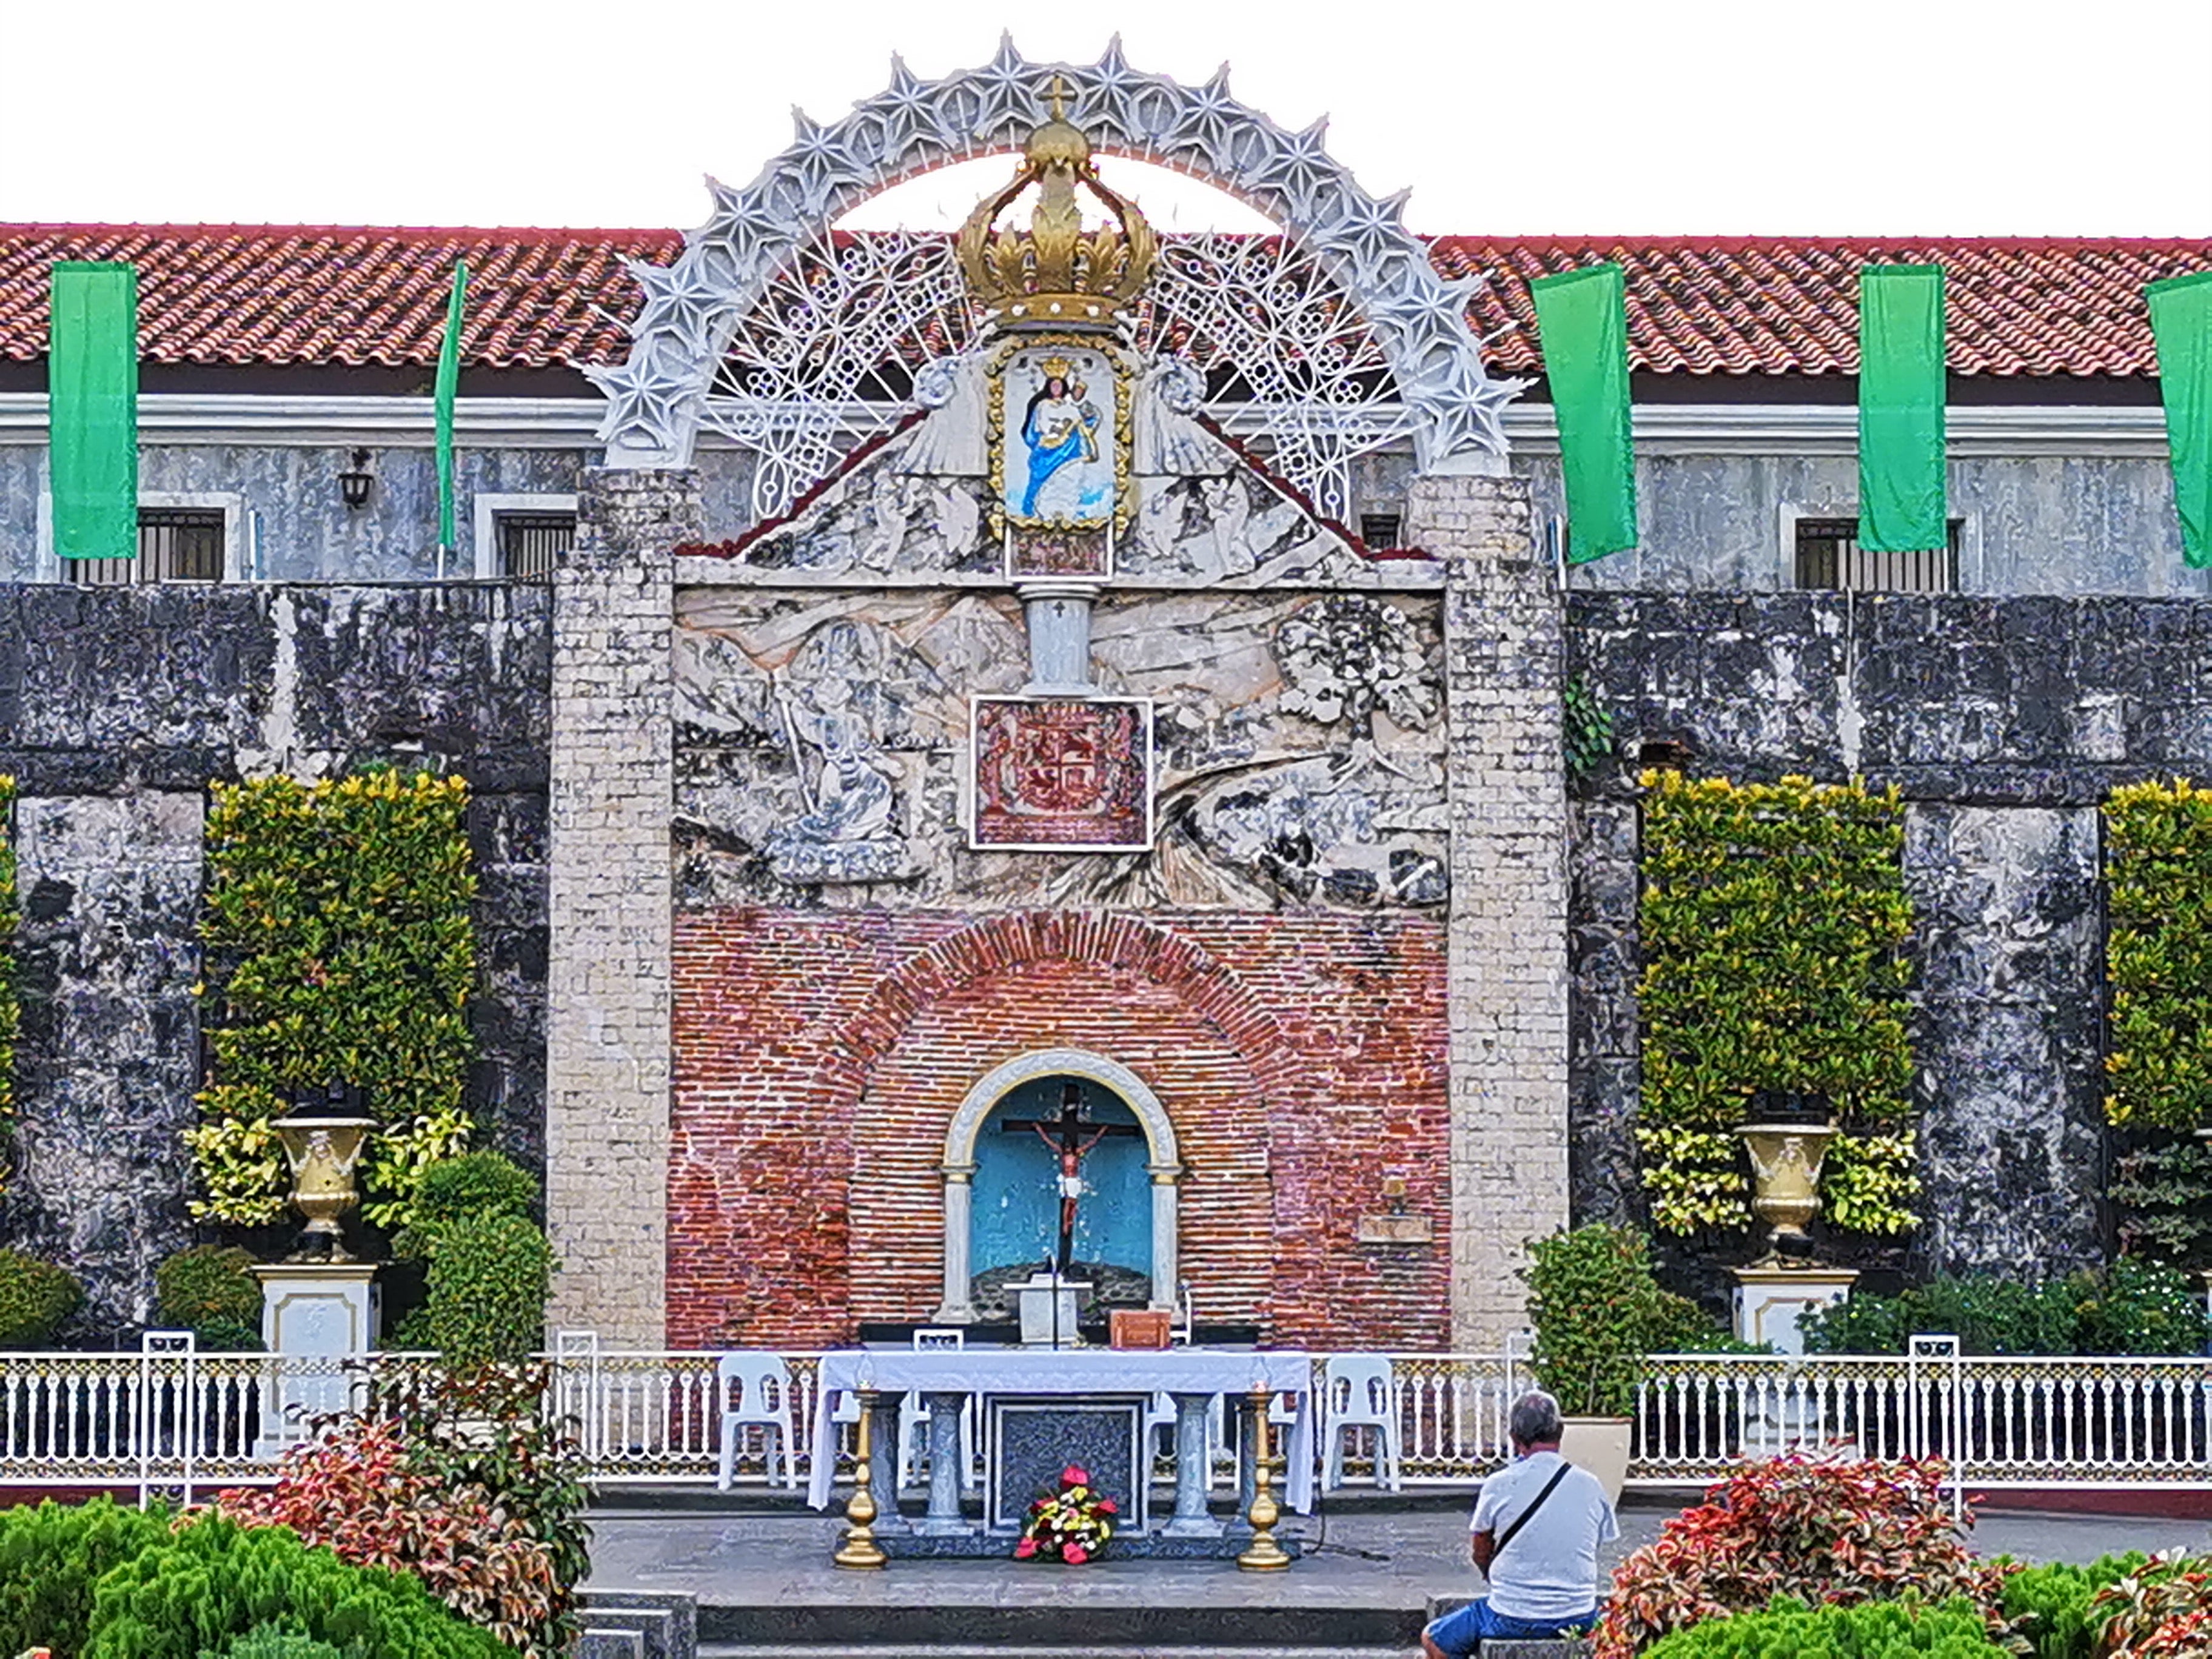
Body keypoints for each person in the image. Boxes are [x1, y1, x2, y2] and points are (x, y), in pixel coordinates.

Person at [1421, 1390, 1617, 1658]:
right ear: (1561, 1432)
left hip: (1511, 1615)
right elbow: (1592, 1544)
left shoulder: (1499, 1484)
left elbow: (1480, 1548)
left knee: (1434, 1638)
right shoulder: (1591, 1486)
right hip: (1578, 1615)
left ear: (1514, 1438)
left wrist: (1491, 1573)